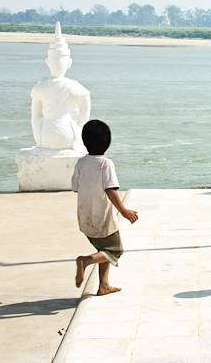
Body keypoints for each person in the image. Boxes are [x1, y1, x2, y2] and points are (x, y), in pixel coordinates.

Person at [72, 120, 138, 295]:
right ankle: (85, 261)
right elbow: (110, 190)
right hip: (103, 218)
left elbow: (75, 187)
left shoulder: (81, 163)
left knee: (103, 250)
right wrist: (124, 210)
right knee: (115, 250)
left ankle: (104, 286)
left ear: (84, 141)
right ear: (107, 143)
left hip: (85, 217)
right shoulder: (105, 164)